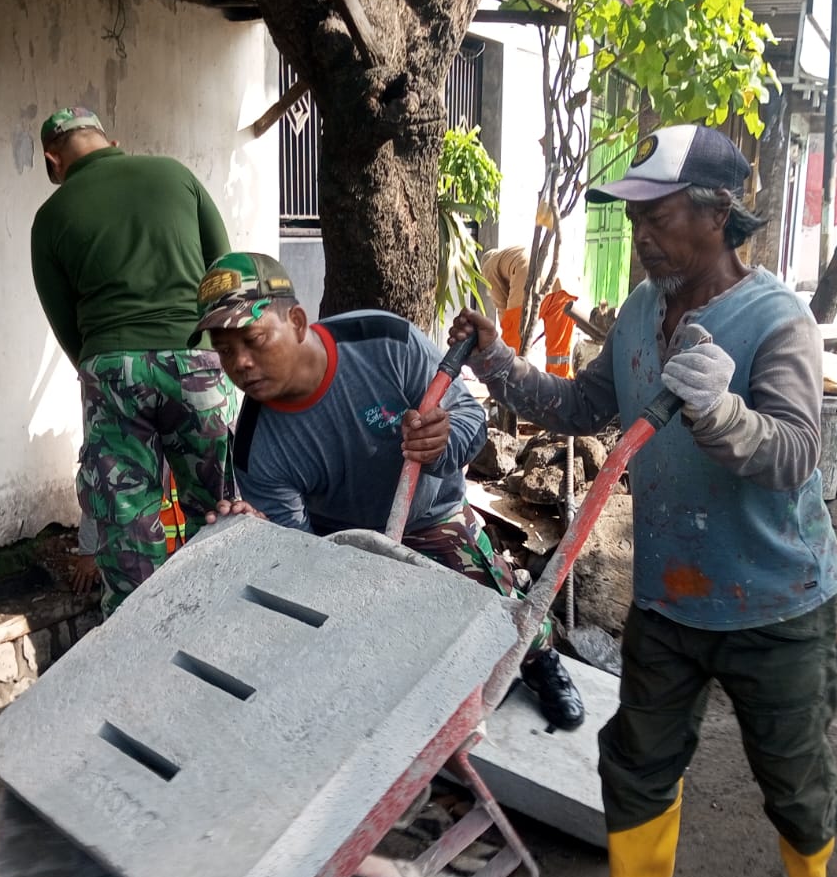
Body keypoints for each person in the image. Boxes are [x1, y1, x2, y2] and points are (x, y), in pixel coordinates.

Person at [450, 124, 837, 877]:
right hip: (671, 593)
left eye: (656, 213)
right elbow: (584, 403)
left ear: (715, 215)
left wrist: (722, 415)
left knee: (793, 765)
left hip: (777, 597)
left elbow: (794, 458)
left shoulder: (777, 320)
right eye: (633, 215)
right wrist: (497, 361)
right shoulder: (638, 311)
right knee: (636, 755)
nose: (639, 231)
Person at [194, 251, 584, 733]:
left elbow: (469, 421)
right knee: (377, 661)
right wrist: (260, 540)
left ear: (296, 321)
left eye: (252, 340)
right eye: (224, 350)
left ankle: (539, 658)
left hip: (431, 518)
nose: (240, 364)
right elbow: (301, 557)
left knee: (500, 617)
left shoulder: (383, 341)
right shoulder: (256, 446)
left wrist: (441, 444)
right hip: (348, 546)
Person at [30, 107, 238, 615]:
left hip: (112, 367)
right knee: (223, 508)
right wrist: (209, 352)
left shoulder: (51, 217)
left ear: (53, 159)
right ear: (110, 140)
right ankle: (230, 614)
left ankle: (137, 651)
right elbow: (223, 267)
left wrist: (104, 365)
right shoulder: (176, 175)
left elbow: (64, 321)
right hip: (194, 362)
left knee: (128, 525)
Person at [479, 246, 577, 376]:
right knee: (559, 354)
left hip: (532, 281)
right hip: (564, 287)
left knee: (512, 342)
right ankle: (563, 387)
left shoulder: (489, 266)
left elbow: (502, 309)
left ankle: (507, 384)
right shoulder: (511, 254)